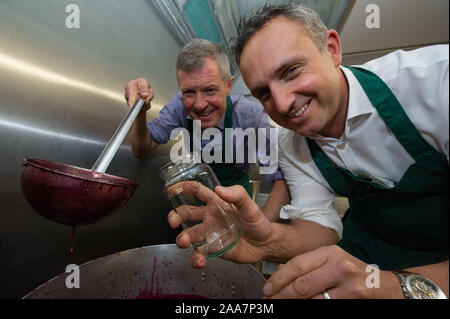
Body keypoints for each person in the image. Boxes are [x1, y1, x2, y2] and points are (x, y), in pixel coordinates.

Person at [171, 4, 449, 299]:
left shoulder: (435, 83)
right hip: (365, 250)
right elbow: (320, 229)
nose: (281, 103)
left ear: (331, 49)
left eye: (291, 71)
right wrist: (266, 240)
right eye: (263, 92)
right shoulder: (291, 144)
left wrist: (393, 287)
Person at [124, 38, 286, 220]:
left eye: (210, 90)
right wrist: (139, 111)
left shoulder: (250, 116)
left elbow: (281, 176)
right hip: (201, 201)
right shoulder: (179, 106)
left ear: (229, 85)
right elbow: (142, 148)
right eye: (189, 92)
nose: (199, 105)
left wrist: (261, 229)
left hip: (239, 203)